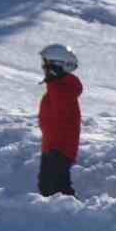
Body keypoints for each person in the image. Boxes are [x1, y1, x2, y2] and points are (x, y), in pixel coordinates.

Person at [37, 44, 82, 197]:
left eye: (45, 64)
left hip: (59, 149)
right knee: (53, 189)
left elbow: (60, 112)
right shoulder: (57, 88)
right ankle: (68, 216)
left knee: (54, 190)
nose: (43, 68)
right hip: (51, 146)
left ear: (57, 65)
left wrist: (54, 78)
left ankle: (71, 217)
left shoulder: (62, 89)